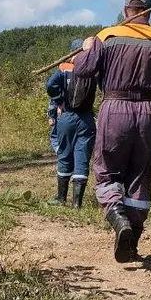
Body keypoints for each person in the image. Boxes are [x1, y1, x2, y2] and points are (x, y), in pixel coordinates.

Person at [72, 0, 151, 262]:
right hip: (149, 112)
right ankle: (132, 242)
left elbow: (82, 70)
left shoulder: (107, 36)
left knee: (108, 170)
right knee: (141, 173)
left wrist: (87, 47)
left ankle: (118, 219)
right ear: (149, 10)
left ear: (126, 8)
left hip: (115, 108)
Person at [45, 39, 98, 209]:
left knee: (64, 154)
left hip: (67, 117)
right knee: (82, 158)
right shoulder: (94, 70)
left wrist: (59, 101)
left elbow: (50, 85)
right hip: (87, 119)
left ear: (72, 53)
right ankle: (77, 203)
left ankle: (61, 198)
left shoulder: (64, 70)